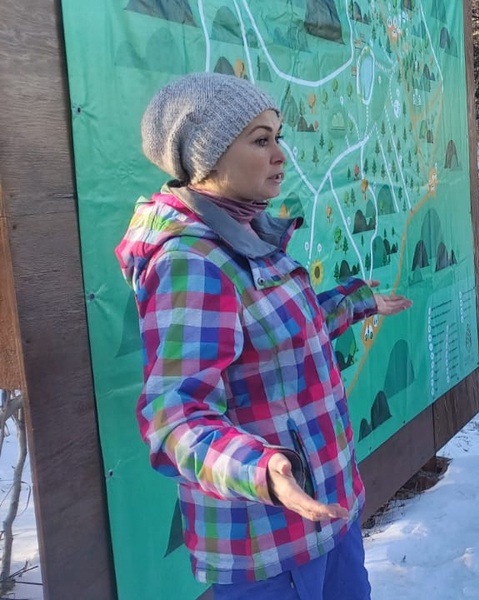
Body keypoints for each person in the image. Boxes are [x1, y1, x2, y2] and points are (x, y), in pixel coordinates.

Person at [120, 73, 413, 597]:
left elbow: (280, 332)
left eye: (278, 136)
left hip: (330, 513)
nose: (280, 154)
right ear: (207, 159)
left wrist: (356, 301)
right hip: (267, 547)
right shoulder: (192, 261)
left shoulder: (247, 230)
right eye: (261, 140)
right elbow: (174, 418)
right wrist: (262, 470)